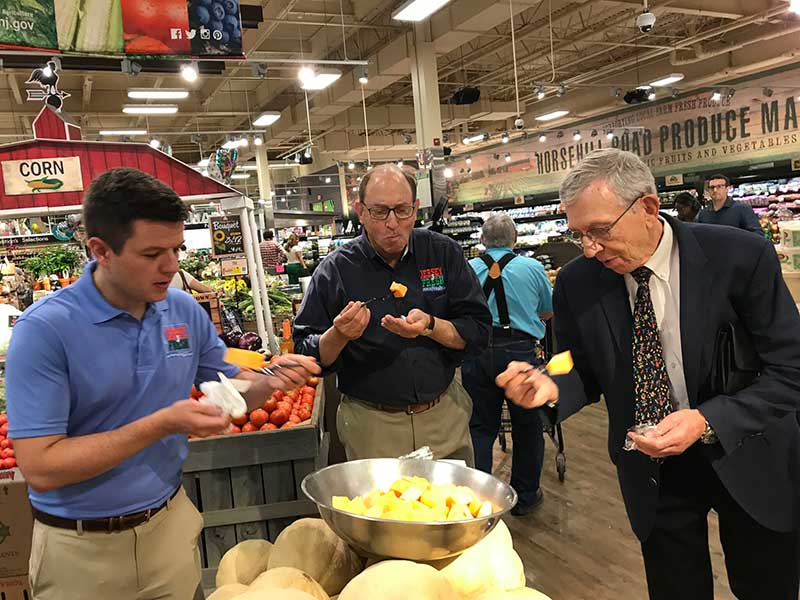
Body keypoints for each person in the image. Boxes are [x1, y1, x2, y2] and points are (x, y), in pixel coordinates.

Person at [497, 149, 800, 600]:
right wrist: (550, 386)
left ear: (648, 208)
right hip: (654, 466)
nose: (589, 248)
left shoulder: (739, 257)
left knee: (765, 586)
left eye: (600, 230)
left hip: (749, 452)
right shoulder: (580, 282)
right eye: (579, 234)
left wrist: (707, 419)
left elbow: (790, 370)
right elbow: (581, 366)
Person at [5, 168, 319, 600]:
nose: (171, 266)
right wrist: (160, 424)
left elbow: (231, 387)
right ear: (101, 250)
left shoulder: (181, 311)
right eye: (152, 253)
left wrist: (275, 377)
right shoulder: (45, 331)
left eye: (176, 249)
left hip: (168, 529)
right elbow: (40, 467)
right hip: (79, 553)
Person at [293, 164, 491, 464]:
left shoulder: (443, 253)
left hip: (444, 415)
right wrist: (339, 334)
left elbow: (478, 330)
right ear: (360, 211)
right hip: (371, 425)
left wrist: (431, 325)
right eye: (379, 212)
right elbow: (305, 354)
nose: (392, 223)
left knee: (455, 508)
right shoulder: (335, 271)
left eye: (402, 210)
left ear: (415, 208)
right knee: (381, 509)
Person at [462, 213, 553, 516]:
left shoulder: (468, 269)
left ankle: (479, 500)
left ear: (482, 240)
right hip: (520, 352)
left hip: (476, 353)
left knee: (480, 427)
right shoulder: (533, 268)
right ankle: (526, 496)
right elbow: (547, 311)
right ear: (514, 238)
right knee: (528, 427)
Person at [697, 174, 763, 234]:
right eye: (712, 187)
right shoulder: (704, 214)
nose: (715, 190)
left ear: (727, 188)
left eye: (719, 186)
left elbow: (758, 235)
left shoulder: (742, 209)